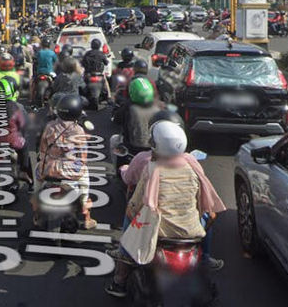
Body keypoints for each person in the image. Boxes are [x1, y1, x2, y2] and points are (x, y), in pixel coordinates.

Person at [105, 120, 226, 298]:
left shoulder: (152, 168)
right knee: (209, 217)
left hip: (160, 233)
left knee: (130, 214)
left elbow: (134, 206)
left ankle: (120, 277)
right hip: (191, 233)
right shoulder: (192, 166)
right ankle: (206, 259)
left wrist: (132, 214)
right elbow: (204, 202)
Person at [35, 93, 96, 229]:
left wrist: (44, 162)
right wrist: (80, 165)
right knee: (85, 183)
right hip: (71, 173)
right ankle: (86, 214)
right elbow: (83, 155)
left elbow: (42, 148)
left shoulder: (50, 126)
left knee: (37, 177)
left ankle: (37, 210)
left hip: (50, 169)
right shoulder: (78, 130)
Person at [111, 77, 163, 152]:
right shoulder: (158, 106)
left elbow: (117, 120)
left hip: (132, 147)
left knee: (113, 140)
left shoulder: (129, 106)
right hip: (153, 149)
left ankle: (118, 164)